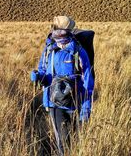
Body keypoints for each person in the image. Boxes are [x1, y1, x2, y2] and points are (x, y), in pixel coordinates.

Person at [30, 16, 95, 156]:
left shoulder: (78, 52)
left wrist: (85, 109)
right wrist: (38, 76)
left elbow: (87, 83)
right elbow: (43, 71)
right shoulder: (49, 49)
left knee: (74, 140)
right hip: (54, 104)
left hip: (74, 103)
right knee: (64, 143)